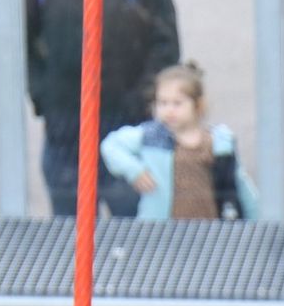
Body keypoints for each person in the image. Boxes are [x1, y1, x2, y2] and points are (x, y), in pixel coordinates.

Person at [25, 0, 178, 217]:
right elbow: (22, 42)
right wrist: (43, 98)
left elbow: (165, 44)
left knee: (134, 241)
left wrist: (141, 100)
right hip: (64, 134)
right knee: (68, 239)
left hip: (126, 129)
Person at [100, 62, 258, 220]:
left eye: (177, 103)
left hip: (210, 230)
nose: (169, 110)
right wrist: (134, 171)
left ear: (198, 105)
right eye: (163, 103)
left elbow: (239, 185)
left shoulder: (218, 143)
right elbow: (111, 146)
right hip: (160, 232)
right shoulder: (151, 136)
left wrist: (256, 218)